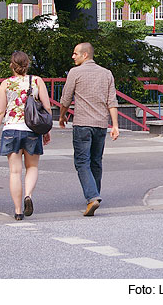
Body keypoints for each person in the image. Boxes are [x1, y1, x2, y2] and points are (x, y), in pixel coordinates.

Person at [58, 42, 120, 217]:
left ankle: (92, 197)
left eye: (75, 53)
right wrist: (114, 125)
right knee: (96, 161)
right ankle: (94, 195)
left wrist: (62, 116)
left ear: (85, 55)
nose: (73, 56)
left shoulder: (75, 73)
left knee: (81, 162)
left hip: (83, 124)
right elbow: (112, 101)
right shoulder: (106, 73)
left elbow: (66, 98)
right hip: (101, 124)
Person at [0, 51, 52, 220]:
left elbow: (0, 111)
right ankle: (28, 195)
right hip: (32, 130)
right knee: (32, 167)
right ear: (27, 64)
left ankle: (18, 211)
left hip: (11, 129)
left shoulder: (6, 84)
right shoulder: (37, 81)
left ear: (12, 65)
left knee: (14, 172)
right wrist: (47, 130)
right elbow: (46, 107)